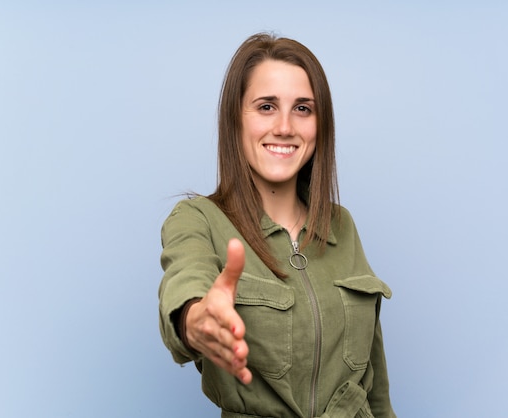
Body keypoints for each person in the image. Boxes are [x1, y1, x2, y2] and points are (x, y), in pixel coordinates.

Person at [158, 32, 397, 418]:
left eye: (303, 109)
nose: (285, 126)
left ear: (321, 125)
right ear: (236, 118)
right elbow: (186, 283)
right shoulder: (198, 219)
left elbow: (375, 388)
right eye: (266, 106)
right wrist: (198, 320)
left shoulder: (342, 225)